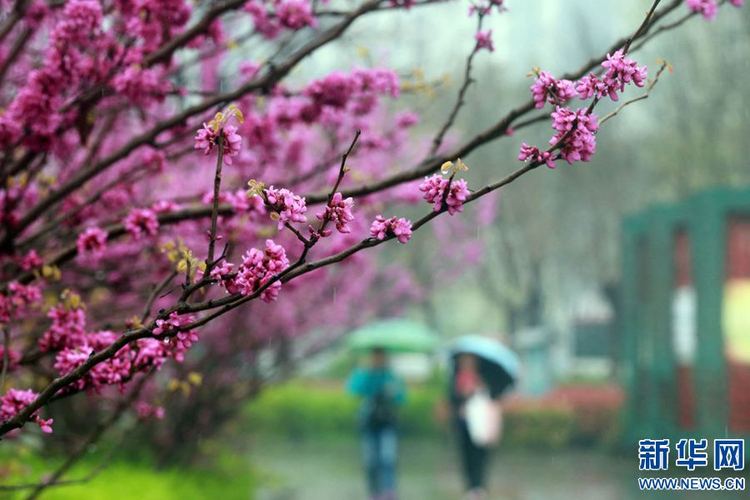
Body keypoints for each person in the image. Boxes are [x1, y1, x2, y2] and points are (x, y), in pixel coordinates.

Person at [347, 347, 406, 500]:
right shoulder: (365, 374)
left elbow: (401, 398)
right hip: (369, 423)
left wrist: (392, 391)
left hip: (387, 423)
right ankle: (374, 492)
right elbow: (353, 389)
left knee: (388, 458)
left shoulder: (391, 376)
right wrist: (366, 374)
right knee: (371, 460)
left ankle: (389, 491)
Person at [448, 353, 503, 500]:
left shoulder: (484, 378)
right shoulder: (456, 379)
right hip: (464, 424)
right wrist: (462, 396)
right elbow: (452, 399)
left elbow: (493, 399)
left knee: (482, 456)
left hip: (481, 424)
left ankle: (480, 487)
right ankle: (471, 487)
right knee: (466, 456)